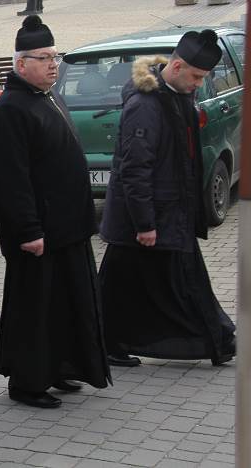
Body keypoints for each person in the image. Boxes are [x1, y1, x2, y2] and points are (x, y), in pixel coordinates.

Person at [0, 16, 111, 409]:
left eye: (56, 57)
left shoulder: (48, 96)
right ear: (21, 64)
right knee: (36, 309)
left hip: (67, 227)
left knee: (64, 304)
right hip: (39, 232)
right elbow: (13, 180)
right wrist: (29, 231)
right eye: (45, 58)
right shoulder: (9, 110)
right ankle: (27, 382)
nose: (54, 65)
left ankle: (56, 367)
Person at [99, 29, 236, 367]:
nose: (199, 84)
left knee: (125, 287)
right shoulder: (145, 106)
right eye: (197, 76)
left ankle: (107, 343)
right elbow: (135, 169)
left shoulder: (176, 96)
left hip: (169, 213)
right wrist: (145, 224)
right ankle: (218, 340)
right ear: (176, 67)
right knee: (175, 283)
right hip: (149, 218)